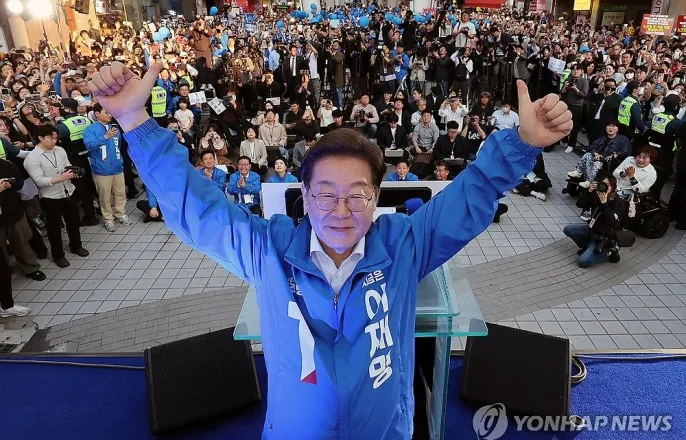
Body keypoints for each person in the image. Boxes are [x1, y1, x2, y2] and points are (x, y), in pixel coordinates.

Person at [89, 61, 571, 440]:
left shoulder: (404, 245)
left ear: (377, 196)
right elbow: (198, 207)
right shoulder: (268, 251)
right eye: (325, 193)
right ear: (303, 193)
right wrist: (133, 119)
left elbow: (472, 193)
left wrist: (523, 142)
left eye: (358, 194)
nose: (341, 210)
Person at [23, 125, 89, 268]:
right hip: (50, 198)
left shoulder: (60, 150)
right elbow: (39, 181)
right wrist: (61, 178)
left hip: (68, 192)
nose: (55, 141)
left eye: (56, 138)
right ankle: (58, 255)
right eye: (51, 138)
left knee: (73, 222)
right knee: (54, 229)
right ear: (40, 138)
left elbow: (67, 166)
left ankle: (76, 246)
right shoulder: (32, 158)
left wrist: (73, 173)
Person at [84, 104, 132, 233]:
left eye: (110, 112)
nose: (110, 114)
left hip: (117, 166)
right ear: (97, 113)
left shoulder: (114, 128)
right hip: (101, 169)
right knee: (104, 196)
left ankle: (120, 213)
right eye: (106, 112)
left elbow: (119, 146)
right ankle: (108, 218)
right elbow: (90, 146)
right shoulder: (90, 130)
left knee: (120, 192)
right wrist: (105, 137)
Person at [564, 173, 626, 268]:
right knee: (568, 229)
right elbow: (579, 204)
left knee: (582, 261)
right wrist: (588, 192)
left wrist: (604, 203)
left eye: (608, 185)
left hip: (605, 237)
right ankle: (588, 246)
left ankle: (609, 253)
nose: (605, 187)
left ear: (613, 187)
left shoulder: (618, 202)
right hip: (592, 229)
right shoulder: (596, 195)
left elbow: (612, 220)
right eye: (603, 184)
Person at [0, 158, 45, 281]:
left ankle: (31, 268)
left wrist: (11, 184)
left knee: (21, 241)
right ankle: (5, 272)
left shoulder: (7, 165)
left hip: (13, 211)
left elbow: (20, 182)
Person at [55, 97, 98, 226]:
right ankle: (99, 210)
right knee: (91, 185)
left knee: (81, 188)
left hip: (74, 158)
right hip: (88, 155)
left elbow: (54, 138)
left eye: (60, 107)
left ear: (66, 109)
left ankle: (90, 217)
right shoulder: (86, 119)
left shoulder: (63, 126)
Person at [567, 121, 631, 187]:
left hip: (609, 162)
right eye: (609, 126)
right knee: (588, 154)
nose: (611, 128)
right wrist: (595, 154)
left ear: (618, 129)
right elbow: (592, 147)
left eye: (613, 126)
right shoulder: (602, 138)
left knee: (597, 163)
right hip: (597, 159)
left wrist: (615, 155)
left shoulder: (623, 139)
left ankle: (589, 181)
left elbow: (625, 152)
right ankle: (578, 171)